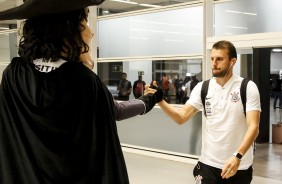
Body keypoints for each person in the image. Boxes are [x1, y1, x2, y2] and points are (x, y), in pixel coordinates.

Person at [0, 1, 161, 183]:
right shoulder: (83, 81)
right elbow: (116, 110)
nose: (91, 33)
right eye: (84, 23)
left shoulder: (13, 75)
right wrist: (149, 99)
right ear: (66, 30)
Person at [152, 40, 261, 184]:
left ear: (232, 62)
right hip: (208, 163)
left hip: (237, 165)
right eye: (212, 59)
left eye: (220, 59)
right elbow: (181, 117)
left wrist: (237, 156)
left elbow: (254, 128)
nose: (214, 63)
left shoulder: (247, 87)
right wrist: (160, 101)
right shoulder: (202, 87)